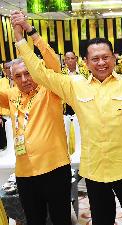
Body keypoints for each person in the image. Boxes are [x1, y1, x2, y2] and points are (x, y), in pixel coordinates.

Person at [12, 12, 122, 225]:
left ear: (114, 58)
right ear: (85, 62)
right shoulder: (74, 85)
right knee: (101, 220)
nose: (101, 63)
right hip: (95, 171)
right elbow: (40, 74)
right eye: (95, 59)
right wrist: (21, 38)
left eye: (106, 57)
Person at [1, 23, 71, 225]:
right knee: (34, 220)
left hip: (55, 169)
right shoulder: (12, 96)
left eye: (28, 73)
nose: (24, 79)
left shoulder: (50, 89)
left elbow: (54, 64)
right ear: (12, 79)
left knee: (61, 220)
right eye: (18, 76)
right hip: (24, 173)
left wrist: (31, 34)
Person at [0, 61, 12, 151]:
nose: (10, 69)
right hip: (5, 116)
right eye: (7, 68)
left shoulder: (21, 80)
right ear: (4, 70)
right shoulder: (1, 82)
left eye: (11, 67)